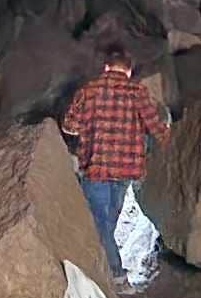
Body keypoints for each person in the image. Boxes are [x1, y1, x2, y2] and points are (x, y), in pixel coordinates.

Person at [61, 44, 169, 285]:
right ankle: (110, 272)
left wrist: (87, 127)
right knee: (108, 221)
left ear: (106, 67)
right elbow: (156, 127)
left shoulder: (89, 90)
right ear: (128, 71)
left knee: (99, 223)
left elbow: (69, 125)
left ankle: (116, 276)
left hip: (97, 166)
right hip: (127, 170)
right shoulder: (137, 90)